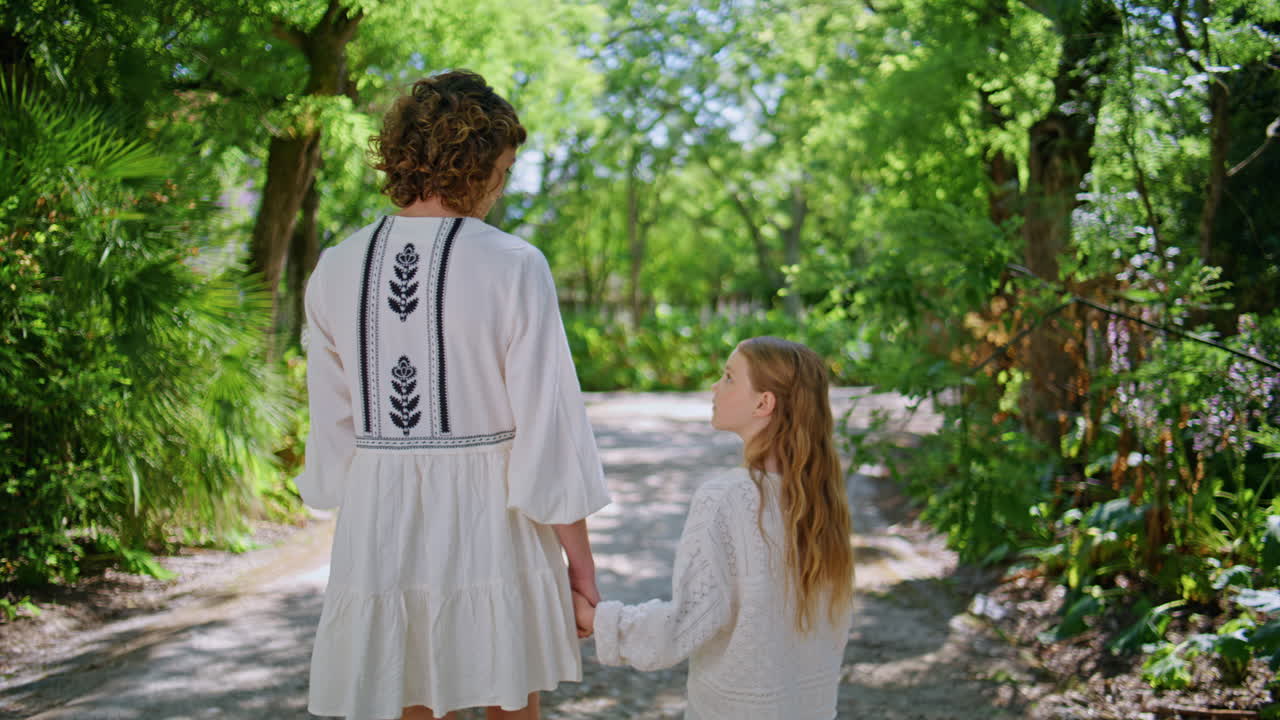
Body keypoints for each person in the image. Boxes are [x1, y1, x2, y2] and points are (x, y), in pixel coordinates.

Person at [295, 70, 610, 720]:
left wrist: (361, 492)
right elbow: (548, 431)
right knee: (507, 699)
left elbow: (333, 431)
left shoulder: (333, 268)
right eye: (503, 169)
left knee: (403, 685)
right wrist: (580, 568)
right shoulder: (515, 264)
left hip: (381, 520)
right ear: (475, 163)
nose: (502, 186)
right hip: (492, 519)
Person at [572, 336, 855, 719]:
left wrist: (597, 619)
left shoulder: (727, 496)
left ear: (763, 403)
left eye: (729, 377)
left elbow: (689, 620)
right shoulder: (823, 501)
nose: (714, 386)